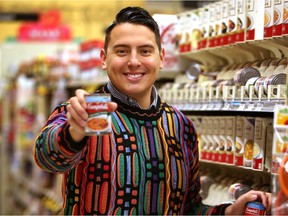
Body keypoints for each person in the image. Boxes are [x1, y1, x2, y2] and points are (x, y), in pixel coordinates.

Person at [34, 6, 272, 215]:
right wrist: (73, 133)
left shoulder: (179, 125)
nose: (134, 61)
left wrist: (229, 211)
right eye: (122, 51)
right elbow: (48, 158)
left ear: (161, 58)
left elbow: (188, 208)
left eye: (145, 51)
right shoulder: (87, 113)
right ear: (104, 59)